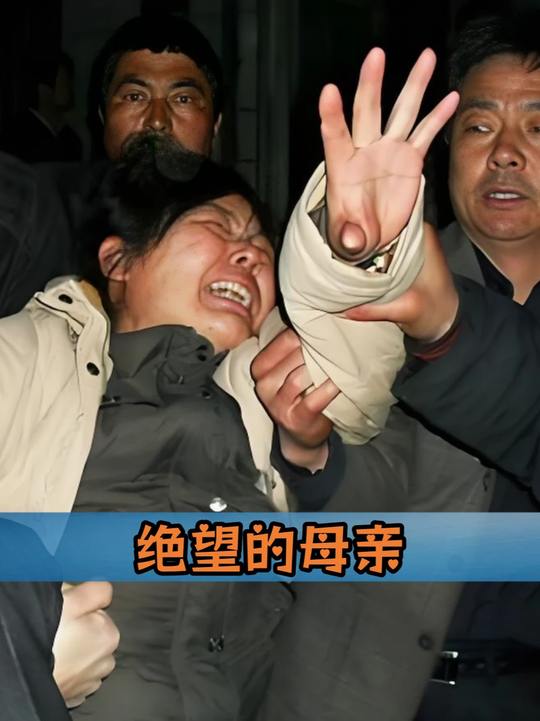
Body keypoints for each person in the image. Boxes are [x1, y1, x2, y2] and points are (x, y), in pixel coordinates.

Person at [0, 46, 457, 719]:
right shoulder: (24, 357)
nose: (247, 252)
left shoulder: (264, 382)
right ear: (117, 262)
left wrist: (353, 252)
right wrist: (21, 658)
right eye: (216, 228)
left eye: (262, 249)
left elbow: (356, 372)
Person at [340, 13, 540, 720]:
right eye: (480, 126)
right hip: (379, 692)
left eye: (537, 128)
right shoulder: (372, 284)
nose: (506, 154)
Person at [0, 13, 223, 318]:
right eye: (135, 96)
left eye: (183, 99)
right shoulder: (31, 210)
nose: (157, 120)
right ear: (103, 117)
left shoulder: (243, 246)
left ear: (215, 124)